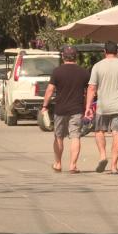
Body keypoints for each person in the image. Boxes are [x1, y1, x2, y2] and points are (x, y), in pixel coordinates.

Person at [85, 41, 118, 174]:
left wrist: (88, 107)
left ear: (104, 52)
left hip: (102, 106)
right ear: (117, 52)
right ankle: (114, 166)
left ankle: (102, 156)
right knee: (117, 133)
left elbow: (91, 88)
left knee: (99, 131)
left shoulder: (97, 66)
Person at [41, 45, 91, 174]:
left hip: (60, 110)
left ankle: (58, 163)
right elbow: (90, 90)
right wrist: (88, 107)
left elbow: (50, 90)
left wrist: (44, 106)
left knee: (58, 137)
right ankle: (73, 165)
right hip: (77, 109)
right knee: (75, 137)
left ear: (63, 56)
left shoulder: (57, 71)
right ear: (76, 57)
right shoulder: (84, 72)